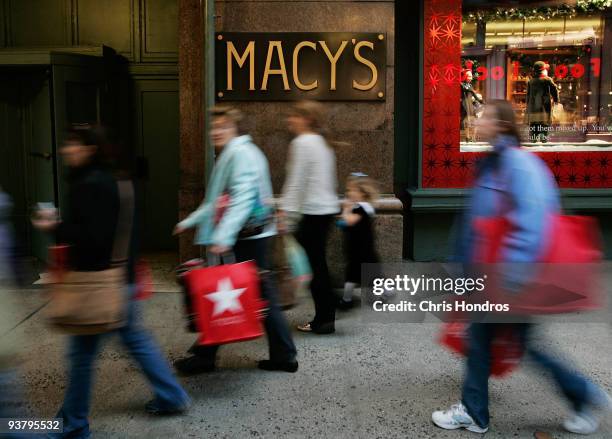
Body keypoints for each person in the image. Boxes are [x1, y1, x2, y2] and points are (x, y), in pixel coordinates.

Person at [432, 100, 611, 435]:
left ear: (501, 125)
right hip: (491, 275)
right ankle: (580, 396)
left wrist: (510, 278)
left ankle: (582, 396)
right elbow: (477, 220)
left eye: (484, 116)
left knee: (497, 342)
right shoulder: (494, 162)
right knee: (492, 342)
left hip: (505, 277)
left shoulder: (517, 165)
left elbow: (532, 223)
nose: (477, 120)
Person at [33, 126, 189, 439]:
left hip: (97, 284)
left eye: (73, 145)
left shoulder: (88, 185)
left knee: (81, 355)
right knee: (135, 340)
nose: (67, 151)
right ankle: (172, 396)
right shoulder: (119, 180)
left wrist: (55, 227)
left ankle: (73, 424)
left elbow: (93, 239)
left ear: (90, 149)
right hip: (122, 277)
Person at [173, 106, 298, 374]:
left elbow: (241, 198)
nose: (216, 132)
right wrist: (189, 221)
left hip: (245, 238)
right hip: (248, 235)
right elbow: (216, 200)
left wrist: (224, 235)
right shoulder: (236, 153)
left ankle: (207, 356)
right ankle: (281, 355)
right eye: (213, 127)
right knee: (253, 294)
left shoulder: (239, 155)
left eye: (222, 127)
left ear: (235, 129)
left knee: (232, 293)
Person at [278, 100, 340, 334]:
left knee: (313, 267)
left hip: (313, 212)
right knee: (318, 264)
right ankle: (327, 312)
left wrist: (285, 213)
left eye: (294, 116)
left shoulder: (302, 142)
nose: (289, 120)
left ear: (306, 119)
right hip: (326, 210)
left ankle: (324, 319)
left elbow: (296, 182)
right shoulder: (323, 143)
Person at [336, 173, 380, 310]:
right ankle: (347, 299)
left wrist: (346, 209)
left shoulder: (362, 208)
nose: (348, 193)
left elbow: (349, 220)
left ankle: (347, 300)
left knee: (361, 276)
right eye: (348, 190)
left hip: (362, 252)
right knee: (362, 275)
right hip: (358, 250)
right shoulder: (360, 207)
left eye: (351, 190)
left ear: (362, 192)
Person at [526, 61, 559, 143]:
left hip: (533, 111)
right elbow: (554, 90)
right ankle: (543, 144)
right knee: (544, 130)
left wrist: (528, 108)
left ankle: (533, 145)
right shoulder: (547, 80)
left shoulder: (531, 81)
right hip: (544, 110)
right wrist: (556, 100)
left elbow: (528, 96)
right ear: (543, 70)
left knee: (533, 131)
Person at [460, 70, 483, 143]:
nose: (470, 78)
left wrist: (480, 101)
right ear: (465, 76)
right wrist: (473, 92)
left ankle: (473, 137)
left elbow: (474, 95)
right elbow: (469, 91)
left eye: (471, 76)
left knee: (473, 120)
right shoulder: (462, 84)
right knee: (466, 120)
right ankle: (467, 137)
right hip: (464, 103)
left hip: (470, 103)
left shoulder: (470, 85)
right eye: (469, 76)